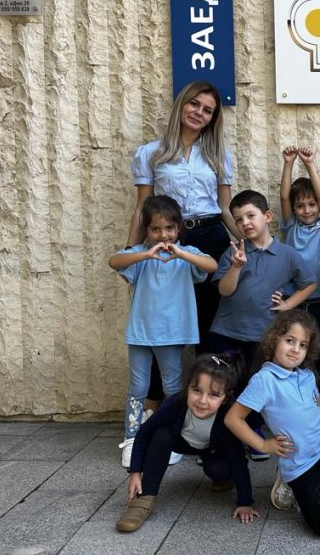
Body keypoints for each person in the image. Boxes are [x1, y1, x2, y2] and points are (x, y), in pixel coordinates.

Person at [225, 310, 320, 537]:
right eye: (290, 341)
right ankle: (290, 485)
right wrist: (263, 445)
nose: (296, 349)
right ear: (274, 340)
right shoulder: (264, 380)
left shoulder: (306, 375)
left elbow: (316, 399)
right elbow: (232, 418)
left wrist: (319, 413)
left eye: (303, 345)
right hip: (300, 462)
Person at [108, 195, 218, 468]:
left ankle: (171, 438)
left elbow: (211, 266)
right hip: (140, 333)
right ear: (147, 230)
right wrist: (145, 253)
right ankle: (132, 438)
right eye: (155, 229)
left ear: (179, 227)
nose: (163, 235)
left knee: (172, 387)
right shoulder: (141, 257)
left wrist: (181, 253)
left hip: (172, 333)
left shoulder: (187, 254)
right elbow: (114, 261)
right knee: (137, 387)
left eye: (169, 228)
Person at [128, 81, 237, 349]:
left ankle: (208, 374)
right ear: (181, 105)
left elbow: (224, 208)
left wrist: (251, 242)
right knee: (163, 315)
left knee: (209, 318)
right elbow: (143, 206)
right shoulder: (151, 153)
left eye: (207, 110)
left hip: (211, 237)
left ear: (212, 119)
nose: (199, 112)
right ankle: (160, 377)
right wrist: (130, 253)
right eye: (194, 104)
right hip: (169, 238)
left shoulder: (219, 155)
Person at [208, 190, 316, 460]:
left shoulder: (287, 255)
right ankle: (216, 439)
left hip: (262, 335)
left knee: (254, 386)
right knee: (221, 384)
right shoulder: (233, 251)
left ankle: (254, 435)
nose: (245, 223)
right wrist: (236, 266)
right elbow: (223, 290)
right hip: (226, 332)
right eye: (238, 219)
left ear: (267, 216)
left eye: (250, 216)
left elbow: (310, 283)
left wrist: (288, 305)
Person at [116, 352, 258, 532]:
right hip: (180, 442)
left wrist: (245, 502)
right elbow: (144, 433)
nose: (202, 401)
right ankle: (144, 499)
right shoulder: (176, 403)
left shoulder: (227, 419)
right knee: (161, 434)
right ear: (188, 387)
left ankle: (224, 479)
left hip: (212, 450)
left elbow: (238, 460)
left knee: (220, 470)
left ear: (225, 399)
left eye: (213, 395)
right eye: (196, 390)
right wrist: (135, 472)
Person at [280, 146, 320, 338]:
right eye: (300, 206)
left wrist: (309, 163)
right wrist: (288, 164)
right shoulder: (291, 226)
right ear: (294, 209)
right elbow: (284, 197)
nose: (307, 210)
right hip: (293, 299)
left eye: (312, 205)